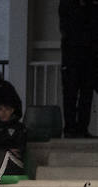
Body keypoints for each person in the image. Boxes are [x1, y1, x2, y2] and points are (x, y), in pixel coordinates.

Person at [58, 0, 97, 138]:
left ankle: (82, 128)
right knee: (70, 94)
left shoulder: (92, 6)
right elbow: (68, 28)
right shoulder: (67, 4)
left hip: (91, 57)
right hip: (72, 57)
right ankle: (70, 129)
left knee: (86, 95)